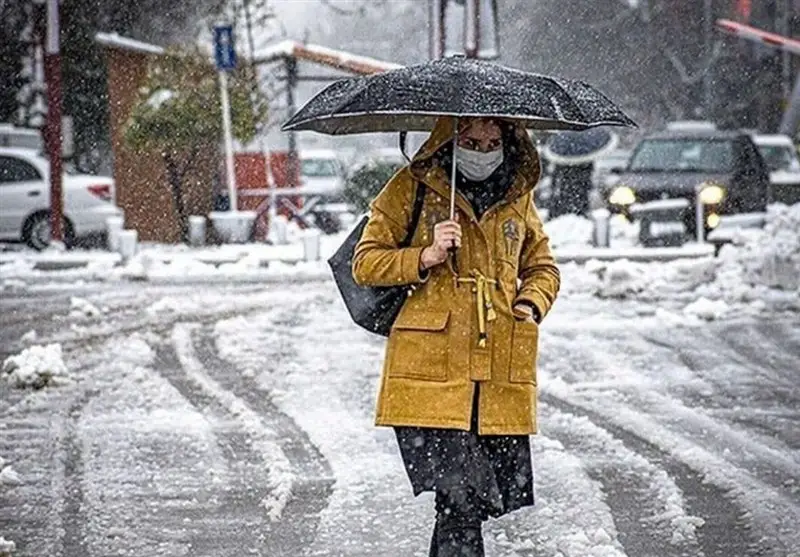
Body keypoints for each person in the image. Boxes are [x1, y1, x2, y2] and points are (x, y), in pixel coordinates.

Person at [352, 116, 560, 557]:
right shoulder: (413, 187)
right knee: (461, 498)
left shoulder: (516, 197)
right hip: (431, 375)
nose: (482, 152)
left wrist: (528, 306)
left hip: (495, 375)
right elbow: (365, 263)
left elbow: (543, 268)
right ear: (449, 140)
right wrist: (424, 255)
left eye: (491, 142)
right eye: (470, 141)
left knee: (466, 504)